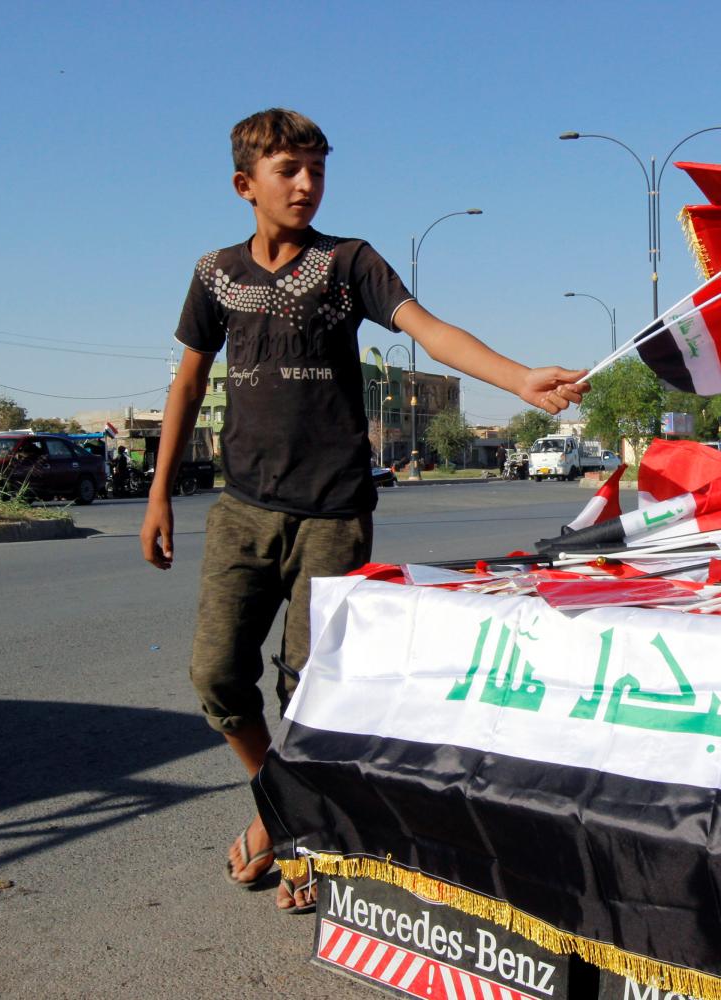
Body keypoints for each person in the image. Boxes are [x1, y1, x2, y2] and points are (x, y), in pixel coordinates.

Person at [139, 108, 586, 914]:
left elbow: (431, 332)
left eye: (317, 168)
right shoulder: (215, 275)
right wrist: (159, 490)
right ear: (246, 185)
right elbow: (187, 382)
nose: (306, 184)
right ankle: (284, 807)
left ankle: (298, 833)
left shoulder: (350, 264)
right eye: (288, 170)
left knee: (312, 687)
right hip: (242, 508)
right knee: (215, 676)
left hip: (332, 512)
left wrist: (518, 379)